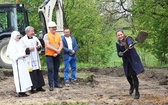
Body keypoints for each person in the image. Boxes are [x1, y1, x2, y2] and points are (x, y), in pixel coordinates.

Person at [115, 30, 144, 99]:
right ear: (117, 36)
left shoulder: (128, 38)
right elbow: (118, 52)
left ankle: (137, 92)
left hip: (133, 59)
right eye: (118, 35)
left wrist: (130, 45)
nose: (120, 36)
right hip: (126, 60)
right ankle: (132, 85)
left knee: (134, 75)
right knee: (128, 75)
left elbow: (130, 42)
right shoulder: (117, 43)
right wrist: (120, 54)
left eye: (121, 34)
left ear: (123, 34)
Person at [6, 31, 32, 97]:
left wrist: (25, 52)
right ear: (14, 36)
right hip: (17, 62)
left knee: (23, 76)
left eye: (18, 35)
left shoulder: (19, 43)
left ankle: (23, 90)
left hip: (22, 62)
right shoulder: (11, 44)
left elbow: (22, 49)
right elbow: (13, 55)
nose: (19, 37)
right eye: (17, 36)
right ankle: (20, 92)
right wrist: (22, 55)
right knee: (19, 76)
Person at [20, 26, 45, 93]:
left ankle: (39, 86)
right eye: (32, 31)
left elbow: (39, 46)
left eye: (33, 31)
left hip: (35, 57)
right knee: (31, 73)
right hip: (29, 59)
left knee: (37, 71)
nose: (33, 33)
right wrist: (28, 49)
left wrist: (38, 47)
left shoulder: (35, 38)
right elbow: (21, 49)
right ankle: (32, 88)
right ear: (27, 32)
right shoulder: (23, 40)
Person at [43, 21, 63, 91]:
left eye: (55, 27)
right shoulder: (46, 36)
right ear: (49, 28)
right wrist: (56, 50)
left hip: (56, 55)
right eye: (53, 27)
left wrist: (58, 51)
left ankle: (56, 83)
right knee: (50, 69)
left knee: (56, 69)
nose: (54, 29)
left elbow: (61, 44)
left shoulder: (58, 35)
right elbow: (47, 45)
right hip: (49, 55)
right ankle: (51, 85)